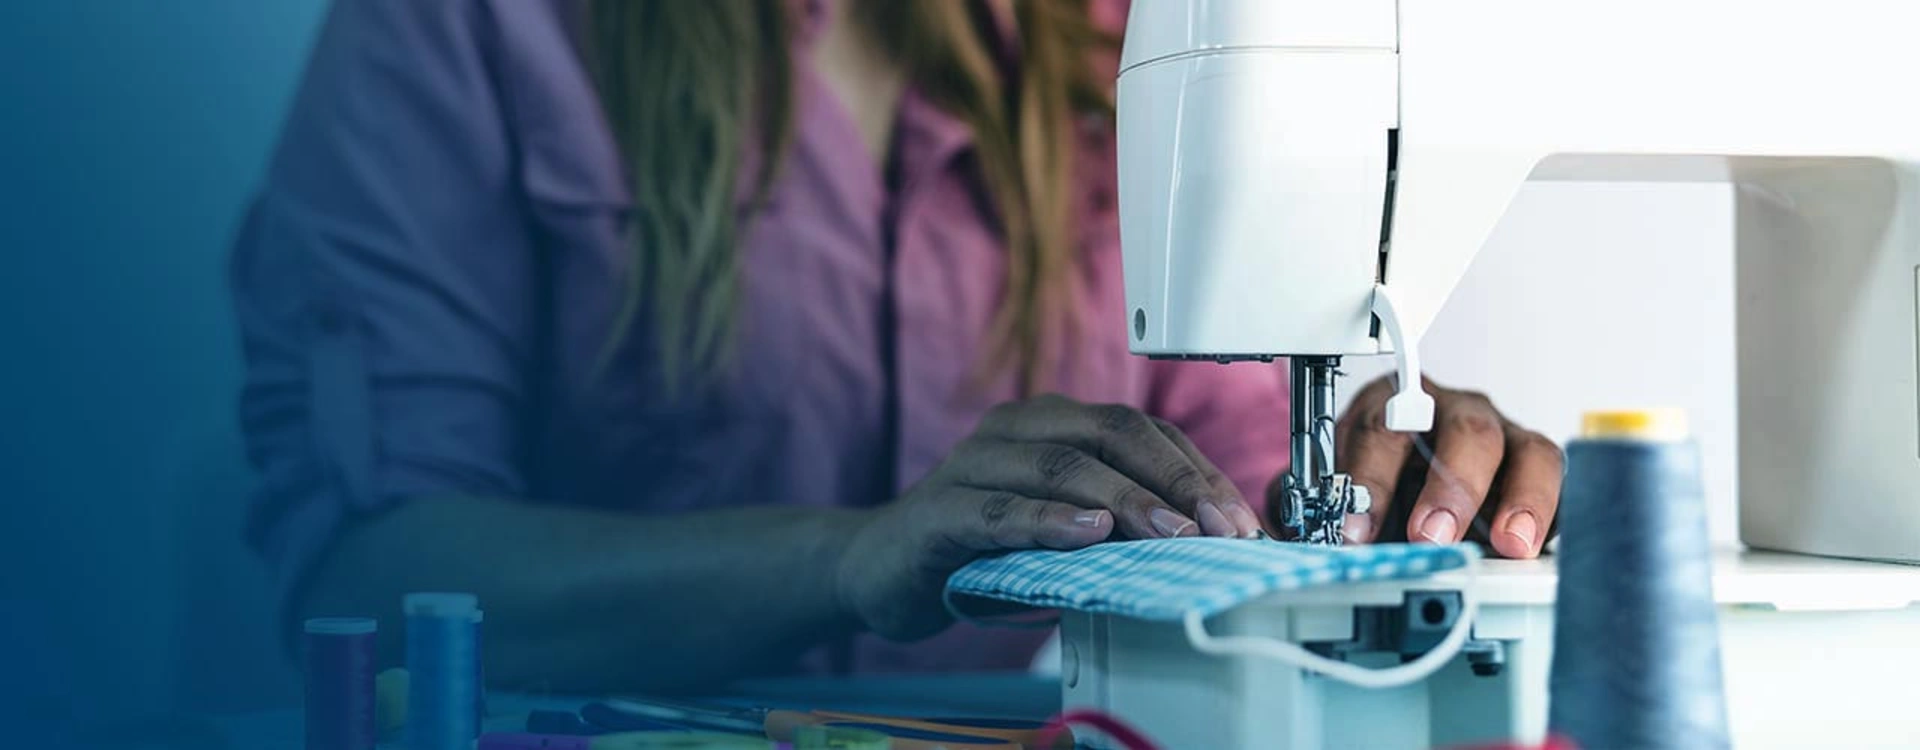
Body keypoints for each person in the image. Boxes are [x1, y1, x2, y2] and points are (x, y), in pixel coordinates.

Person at [231, 0, 1563, 694]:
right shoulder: (481, 26)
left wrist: (1392, 487)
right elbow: (371, 571)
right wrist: (851, 554)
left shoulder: (1130, 51)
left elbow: (1244, 510)